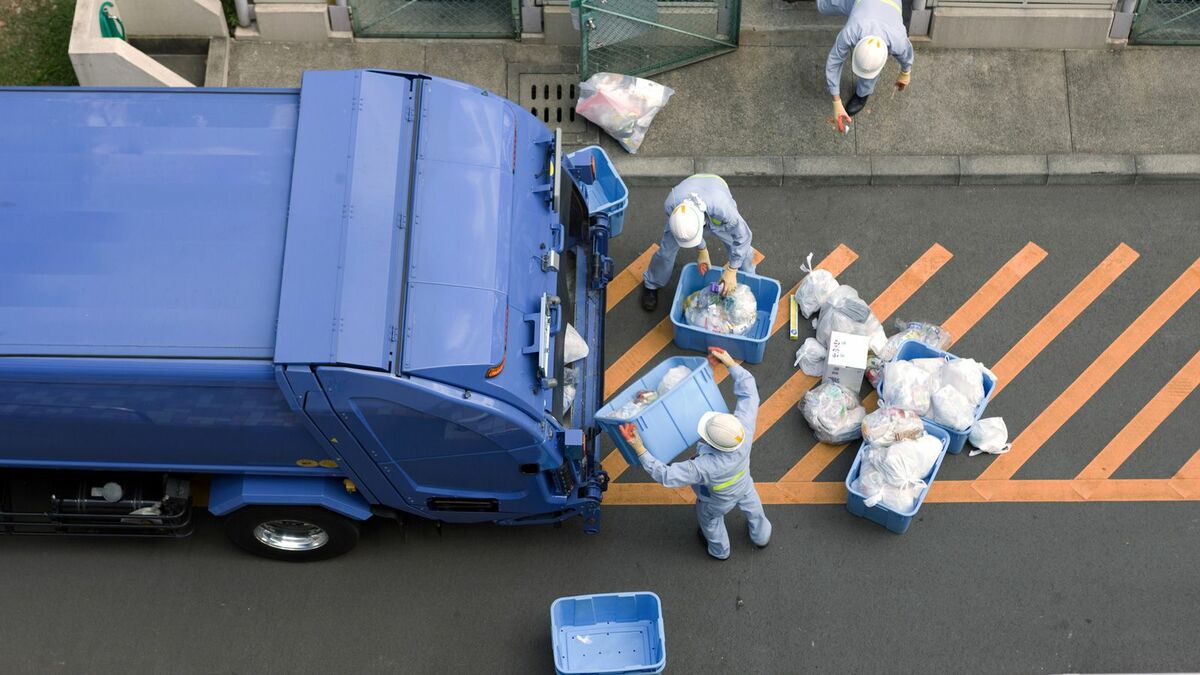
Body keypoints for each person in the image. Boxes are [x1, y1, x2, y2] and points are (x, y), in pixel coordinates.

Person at [619, 347, 772, 560]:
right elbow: (749, 394)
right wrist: (730, 364)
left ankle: (720, 551)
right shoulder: (743, 432)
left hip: (717, 501)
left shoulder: (705, 466)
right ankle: (762, 536)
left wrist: (639, 448)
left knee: (710, 522)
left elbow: (666, 475)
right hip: (744, 485)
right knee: (754, 509)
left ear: (713, 443)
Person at [640, 174, 754, 312]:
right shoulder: (672, 206)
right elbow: (687, 232)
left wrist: (732, 270)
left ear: (701, 224)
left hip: (714, 187)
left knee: (745, 254)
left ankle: (748, 285)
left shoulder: (724, 210)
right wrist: (702, 250)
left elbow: (744, 237)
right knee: (665, 253)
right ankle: (651, 283)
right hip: (689, 192)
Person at [820, 0, 914, 131]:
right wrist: (836, 100)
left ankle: (862, 94)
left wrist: (905, 73)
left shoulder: (898, 40)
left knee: (869, 77)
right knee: (823, 6)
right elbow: (834, 61)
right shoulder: (851, 30)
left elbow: (907, 55)